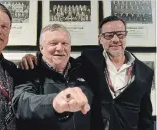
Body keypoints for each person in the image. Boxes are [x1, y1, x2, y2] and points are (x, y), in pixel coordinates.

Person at [20, 16, 154, 130]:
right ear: (100, 39)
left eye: (120, 34)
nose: (115, 39)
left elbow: (146, 117)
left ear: (125, 36)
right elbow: (22, 102)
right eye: (108, 35)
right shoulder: (89, 60)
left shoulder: (145, 72)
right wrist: (35, 57)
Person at [12, 23, 93, 130]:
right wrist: (54, 102)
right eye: (53, 43)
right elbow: (21, 103)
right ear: (41, 48)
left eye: (65, 43)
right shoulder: (29, 70)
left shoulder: (83, 69)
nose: (60, 48)